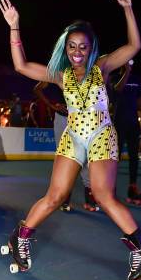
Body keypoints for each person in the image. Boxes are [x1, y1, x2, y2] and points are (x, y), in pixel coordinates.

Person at [0, 0, 141, 280]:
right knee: (55, 196)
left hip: (102, 133)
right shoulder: (60, 74)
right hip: (73, 135)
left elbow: (134, 45)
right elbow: (21, 66)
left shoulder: (101, 66)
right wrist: (14, 25)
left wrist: (128, 9)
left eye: (83, 46)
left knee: (103, 195)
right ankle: (21, 237)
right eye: (72, 46)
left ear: (91, 48)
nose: (77, 51)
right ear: (65, 48)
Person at [32, 81, 98, 211]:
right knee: (64, 158)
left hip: (83, 119)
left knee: (85, 156)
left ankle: (89, 197)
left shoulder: (86, 70)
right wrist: (52, 106)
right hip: (63, 119)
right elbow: (37, 89)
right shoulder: (57, 72)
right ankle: (64, 198)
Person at [111, 60, 141, 204]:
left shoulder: (137, 79)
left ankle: (132, 188)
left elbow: (140, 100)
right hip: (118, 122)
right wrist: (126, 73)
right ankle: (110, 190)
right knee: (115, 157)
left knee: (134, 157)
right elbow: (117, 89)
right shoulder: (113, 78)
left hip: (133, 123)